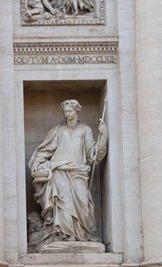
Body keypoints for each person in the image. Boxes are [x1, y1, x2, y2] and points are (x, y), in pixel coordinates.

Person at [29, 99, 107, 244]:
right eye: (65, 112)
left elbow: (93, 155)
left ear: (77, 111)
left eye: (70, 111)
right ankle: (63, 235)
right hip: (59, 172)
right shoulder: (58, 130)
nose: (67, 114)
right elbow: (44, 151)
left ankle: (83, 234)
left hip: (78, 172)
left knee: (83, 202)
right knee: (62, 203)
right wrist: (38, 163)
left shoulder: (85, 130)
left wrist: (103, 136)